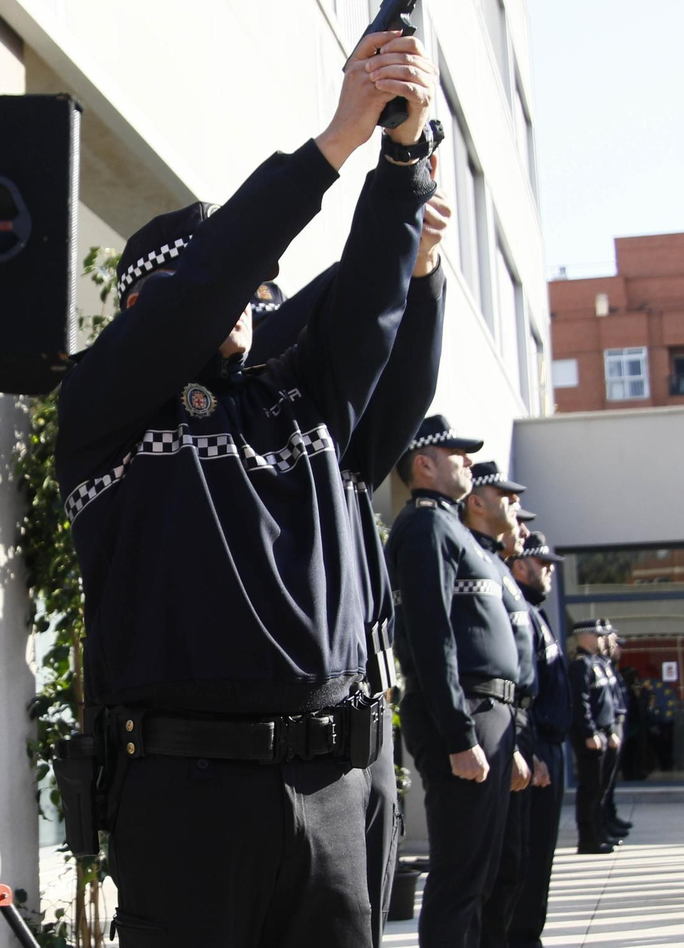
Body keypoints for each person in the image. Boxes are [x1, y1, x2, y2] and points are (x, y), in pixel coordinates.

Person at [55, 27, 439, 948]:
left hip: (331, 796)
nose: (253, 300)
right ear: (149, 300)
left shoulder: (295, 403)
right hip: (189, 802)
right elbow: (205, 283)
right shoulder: (109, 401)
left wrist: (403, 155)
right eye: (234, 282)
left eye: (261, 289)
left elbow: (371, 315)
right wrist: (336, 142)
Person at [248, 160, 453, 947]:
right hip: (276, 752)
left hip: (358, 720)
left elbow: (399, 402)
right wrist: (390, 241)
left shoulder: (327, 442)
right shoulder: (226, 391)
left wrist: (422, 275)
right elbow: (318, 327)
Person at [387, 416, 521, 948]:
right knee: (460, 875)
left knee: (480, 874)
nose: (469, 462)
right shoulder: (426, 526)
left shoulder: (449, 527)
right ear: (425, 464)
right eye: (457, 454)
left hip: (487, 712)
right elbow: (431, 635)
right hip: (465, 709)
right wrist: (461, 734)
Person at [467, 463, 540, 948]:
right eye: (506, 497)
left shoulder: (496, 566)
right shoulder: (473, 556)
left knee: (510, 865)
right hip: (491, 723)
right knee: (481, 874)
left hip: (512, 725)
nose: (518, 513)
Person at [505, 532, 570, 948]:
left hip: (547, 747)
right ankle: (520, 938)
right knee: (525, 857)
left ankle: (529, 936)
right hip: (535, 747)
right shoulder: (520, 613)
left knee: (541, 854)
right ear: (519, 564)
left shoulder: (537, 615)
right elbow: (521, 690)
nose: (548, 571)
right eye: (540, 563)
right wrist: (531, 750)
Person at [568, 621, 618, 854]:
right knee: (591, 789)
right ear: (585, 637)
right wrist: (589, 732)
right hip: (591, 736)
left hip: (603, 733)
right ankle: (588, 839)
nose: (602, 640)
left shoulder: (597, 663)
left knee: (601, 789)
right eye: (598, 635)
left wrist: (610, 732)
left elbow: (605, 703)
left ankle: (599, 833)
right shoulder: (580, 666)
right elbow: (580, 704)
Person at [600, 623, 633, 834]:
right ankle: (601, 825)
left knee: (609, 783)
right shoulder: (596, 666)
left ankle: (609, 817)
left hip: (617, 727)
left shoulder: (610, 669)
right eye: (615, 643)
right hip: (606, 730)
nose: (618, 648)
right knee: (601, 785)